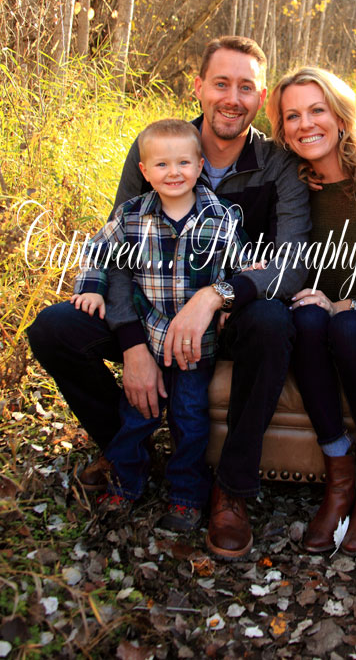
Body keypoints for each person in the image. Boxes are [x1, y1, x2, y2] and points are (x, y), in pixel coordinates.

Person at [27, 36, 311, 559]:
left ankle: (231, 487)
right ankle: (125, 450)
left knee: (272, 322)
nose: (232, 98)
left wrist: (216, 297)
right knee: (54, 328)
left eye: (245, 87)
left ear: (261, 96)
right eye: (221, 83)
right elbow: (118, 251)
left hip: (230, 321)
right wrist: (132, 344)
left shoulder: (278, 164)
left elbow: (291, 265)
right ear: (198, 87)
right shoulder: (157, 146)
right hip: (152, 312)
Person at [71, 119, 247, 530]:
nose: (173, 173)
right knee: (137, 415)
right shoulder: (131, 215)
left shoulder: (220, 217)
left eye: (183, 162)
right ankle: (126, 481)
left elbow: (238, 270)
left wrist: (228, 305)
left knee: (190, 420)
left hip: (196, 349)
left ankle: (187, 495)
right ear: (145, 171)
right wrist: (92, 288)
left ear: (200, 165)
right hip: (150, 338)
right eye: (162, 164)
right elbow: (98, 251)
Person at [266, 68, 356, 555]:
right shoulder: (295, 187)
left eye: (317, 110)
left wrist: (346, 303)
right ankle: (339, 475)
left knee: (345, 325)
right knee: (307, 317)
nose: (305, 124)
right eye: (292, 115)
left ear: (340, 117)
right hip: (320, 319)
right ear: (282, 129)